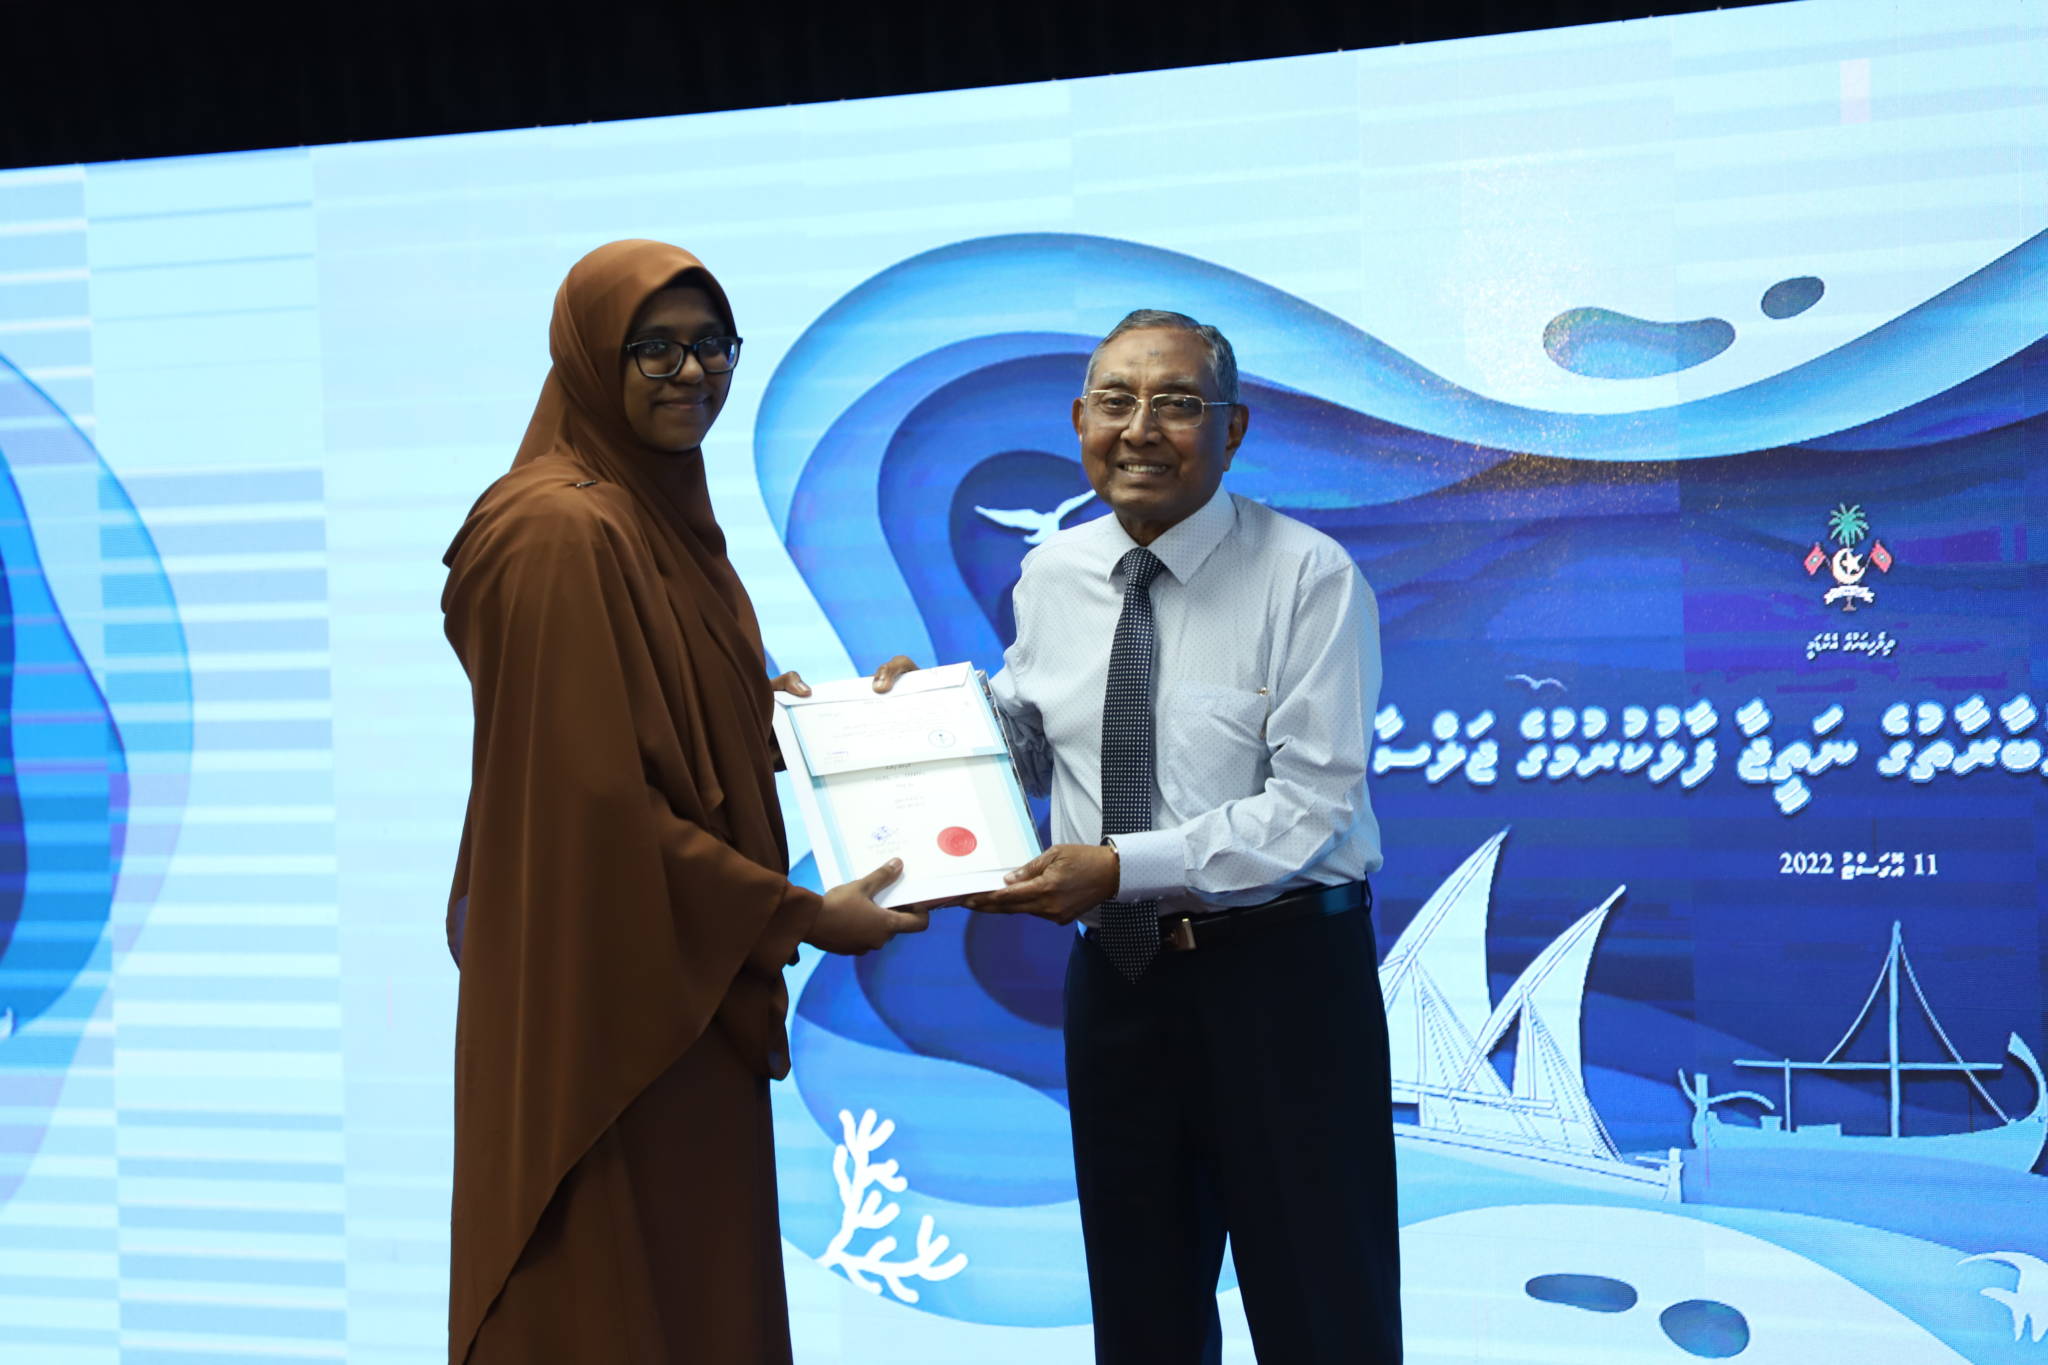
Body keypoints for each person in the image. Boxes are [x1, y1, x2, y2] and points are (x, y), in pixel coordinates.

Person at [879, 308, 1401, 1362]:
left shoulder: (1309, 576)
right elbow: (1038, 746)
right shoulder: (1052, 574)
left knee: (1324, 1315)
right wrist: (925, 725)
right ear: (1079, 419)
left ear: (1232, 429)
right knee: (1141, 1316)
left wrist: (1120, 869)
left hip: (1283, 984)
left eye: (1177, 404)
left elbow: (1313, 803)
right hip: (1118, 986)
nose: (1140, 429)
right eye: (1115, 402)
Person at [440, 239, 927, 1365]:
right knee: (610, 1297)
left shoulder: (647, 515)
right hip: (605, 1009)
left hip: (675, 984)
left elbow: (661, 729)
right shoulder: (559, 532)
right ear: (588, 358)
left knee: (687, 1294)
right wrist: (801, 915)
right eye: (652, 349)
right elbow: (594, 810)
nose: (691, 372)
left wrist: (817, 726)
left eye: (712, 346)